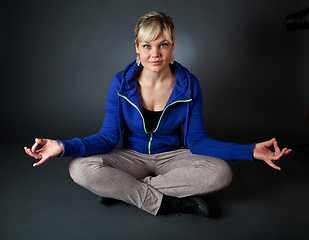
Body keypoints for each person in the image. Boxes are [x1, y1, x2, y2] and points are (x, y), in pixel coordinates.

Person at [24, 11, 292, 217]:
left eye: (163, 45)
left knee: (221, 173)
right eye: (147, 46)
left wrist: (251, 151)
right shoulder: (121, 83)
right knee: (80, 169)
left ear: (173, 46)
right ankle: (168, 204)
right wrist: (63, 146)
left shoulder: (189, 84)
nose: (155, 54)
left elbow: (197, 142)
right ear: (137, 49)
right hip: (131, 156)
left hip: (174, 157)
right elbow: (107, 138)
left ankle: (124, 190)